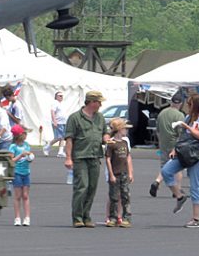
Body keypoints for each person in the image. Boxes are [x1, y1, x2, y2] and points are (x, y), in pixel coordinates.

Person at [162, 93, 199, 228]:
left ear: (196, 105)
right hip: (184, 152)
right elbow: (182, 136)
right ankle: (179, 196)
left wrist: (188, 127)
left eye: (190, 104)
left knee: (195, 185)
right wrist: (175, 149)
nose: (188, 106)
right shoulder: (188, 117)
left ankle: (196, 219)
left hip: (198, 155)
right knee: (166, 171)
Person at [64, 90, 111, 228]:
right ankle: (77, 217)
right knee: (81, 187)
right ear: (91, 102)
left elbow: (104, 133)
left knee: (92, 188)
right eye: (98, 102)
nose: (100, 105)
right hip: (80, 157)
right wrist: (68, 158)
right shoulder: (75, 118)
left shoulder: (100, 118)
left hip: (95, 156)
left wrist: (107, 139)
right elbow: (69, 139)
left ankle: (86, 215)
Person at [151, 94, 184, 197]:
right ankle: (177, 190)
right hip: (174, 143)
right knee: (177, 166)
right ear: (181, 103)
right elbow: (181, 132)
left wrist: (160, 141)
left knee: (165, 166)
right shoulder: (180, 115)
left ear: (171, 102)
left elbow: (158, 130)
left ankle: (157, 181)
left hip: (163, 143)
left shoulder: (162, 113)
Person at [105, 118, 134, 228]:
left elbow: (127, 157)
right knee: (113, 196)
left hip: (124, 173)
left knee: (125, 195)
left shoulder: (125, 142)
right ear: (119, 129)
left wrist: (130, 173)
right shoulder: (111, 143)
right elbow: (108, 159)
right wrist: (111, 174)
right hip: (115, 173)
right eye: (124, 129)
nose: (126, 131)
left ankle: (126, 217)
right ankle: (112, 217)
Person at [7, 124, 33, 226]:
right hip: (17, 172)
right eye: (24, 133)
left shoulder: (26, 145)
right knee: (17, 196)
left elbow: (29, 156)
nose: (26, 135)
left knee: (25, 196)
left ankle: (27, 217)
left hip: (26, 172)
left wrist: (30, 158)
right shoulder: (13, 147)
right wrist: (21, 155)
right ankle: (17, 217)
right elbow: (11, 161)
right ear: (19, 135)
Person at [44, 90, 67, 157]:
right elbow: (52, 112)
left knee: (62, 137)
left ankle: (60, 152)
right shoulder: (55, 103)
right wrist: (54, 121)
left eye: (62, 96)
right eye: (60, 96)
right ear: (56, 97)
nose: (61, 97)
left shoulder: (61, 104)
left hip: (63, 122)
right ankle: (47, 146)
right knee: (58, 137)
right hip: (58, 122)